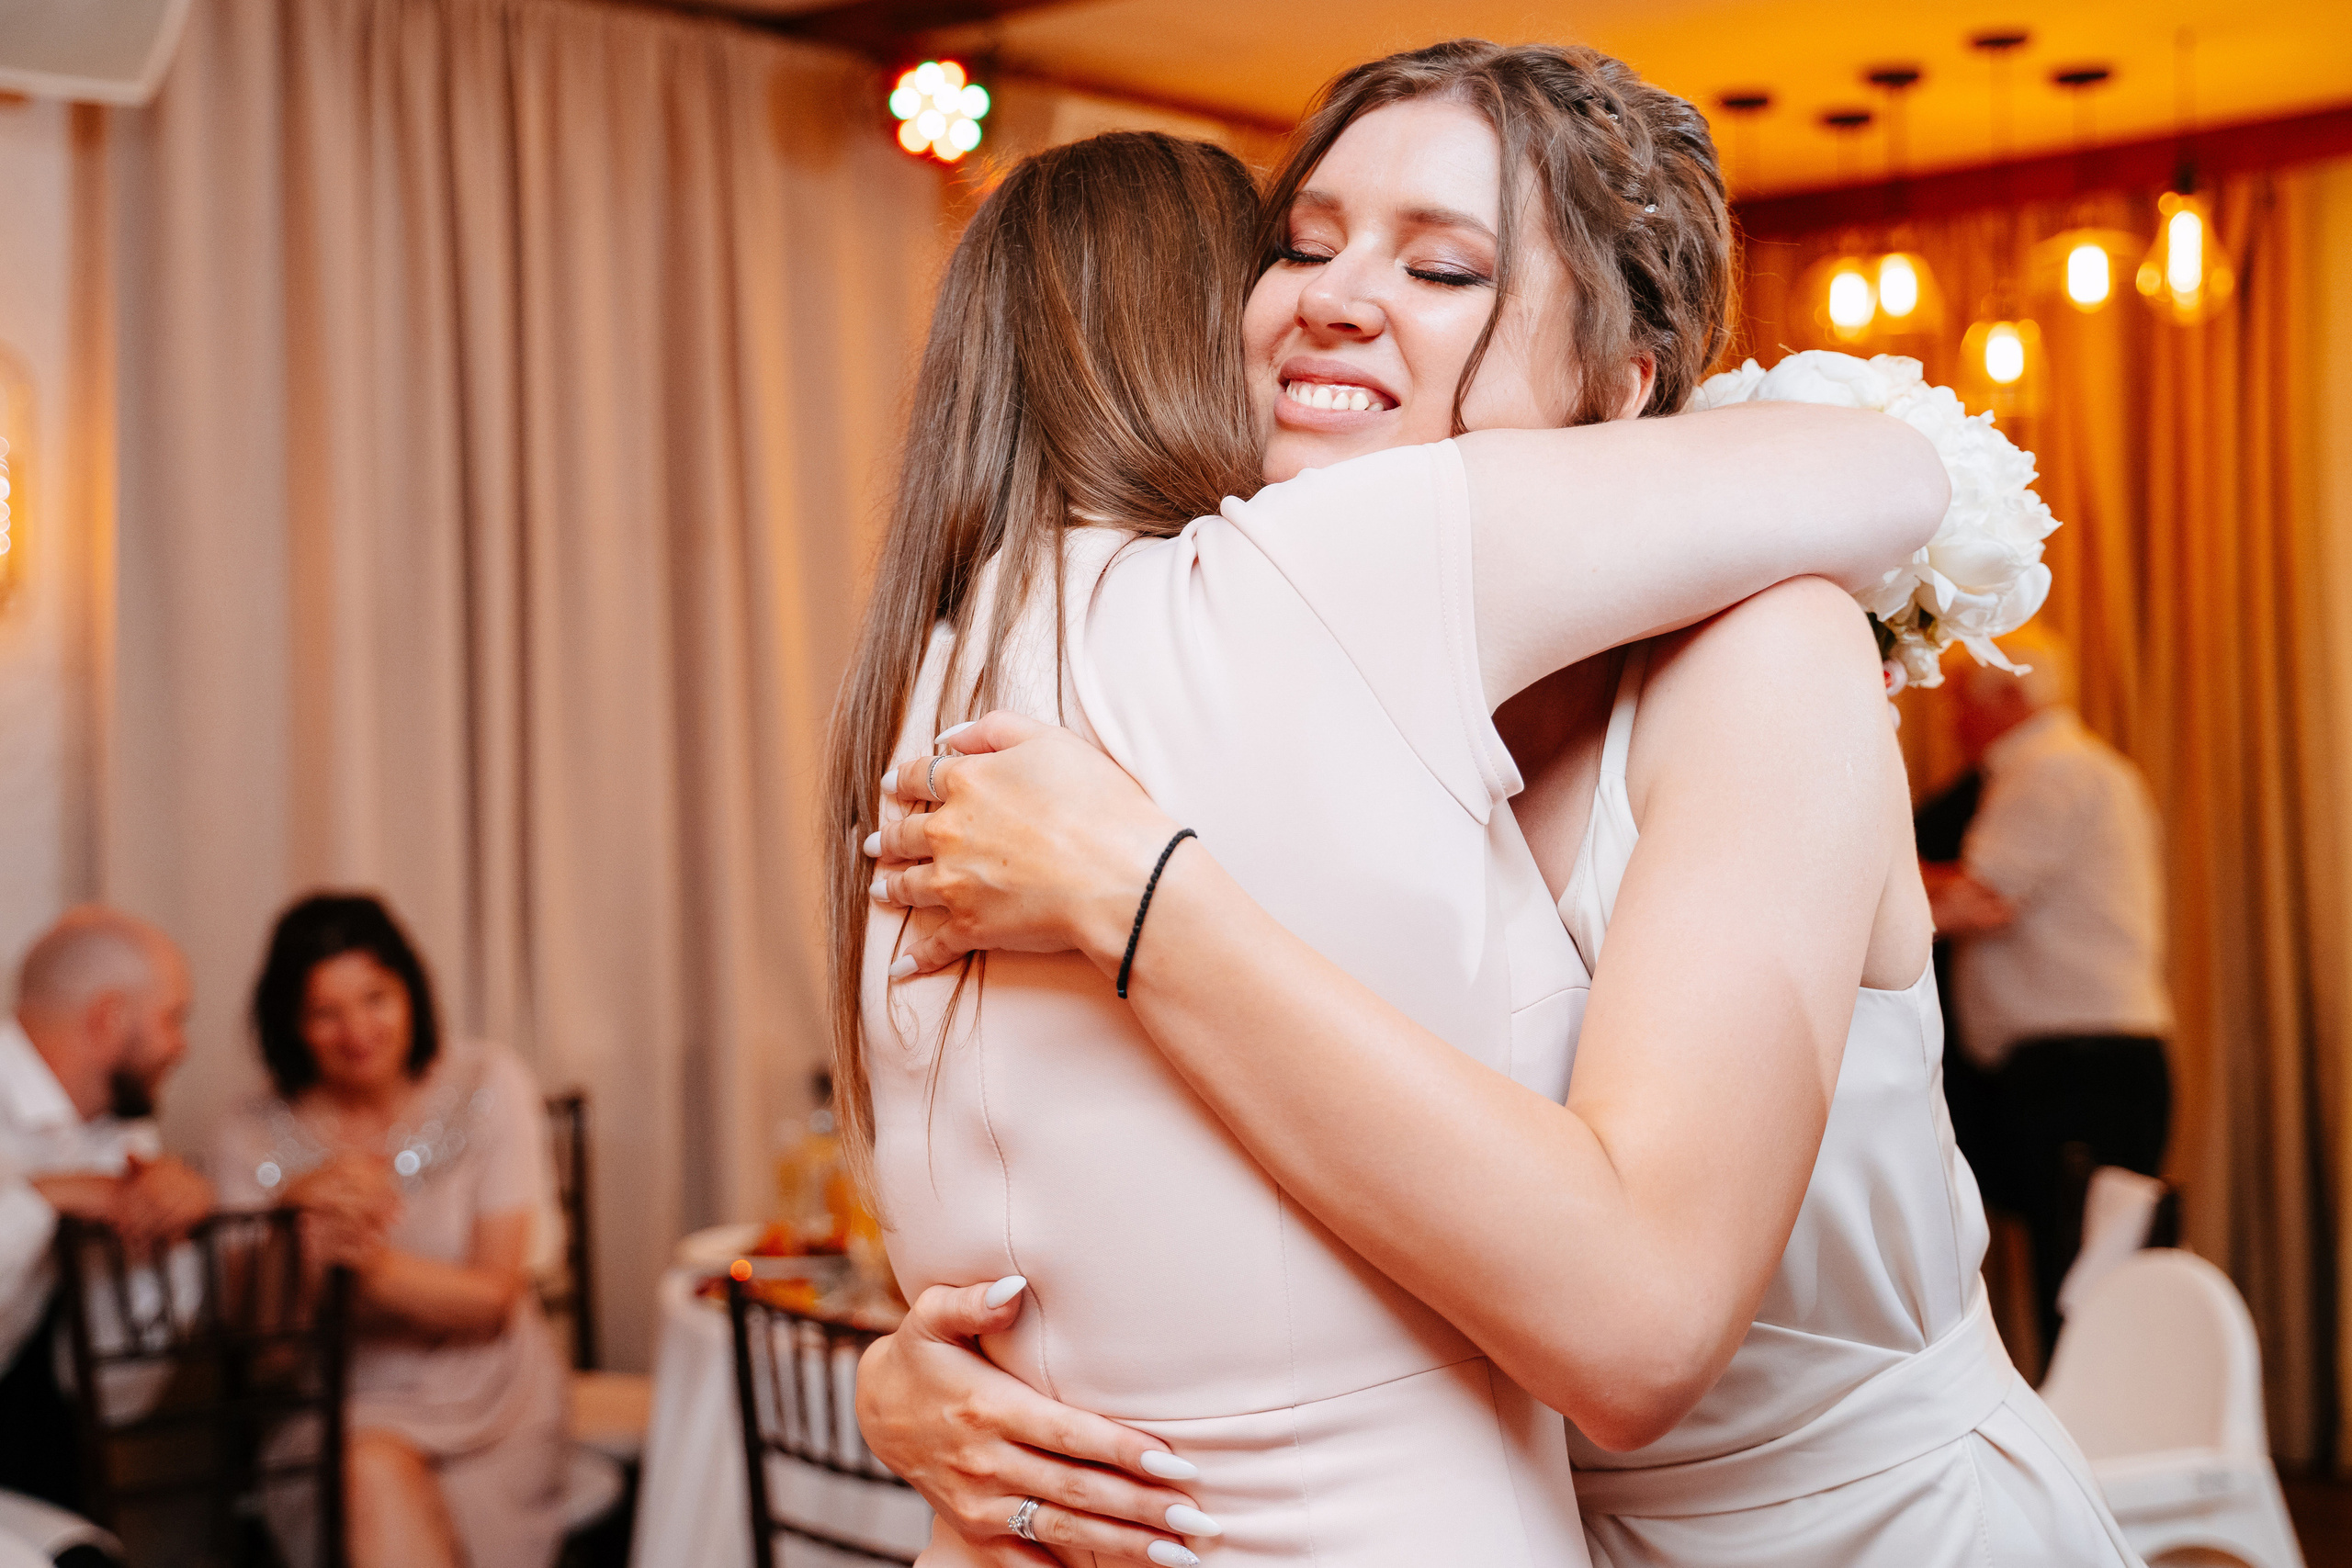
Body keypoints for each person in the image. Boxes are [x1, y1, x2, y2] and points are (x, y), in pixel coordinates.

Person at [846, 41, 2134, 1568]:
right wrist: (923, 1377)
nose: (1330, 298)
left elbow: (1641, 1331)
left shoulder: (1763, 658)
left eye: (1443, 267)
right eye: (1302, 246)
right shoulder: (1270, 678)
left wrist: (1141, 900)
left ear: (1621, 385)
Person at [211, 894, 567, 1568]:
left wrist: (359, 1266)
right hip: (333, 1401)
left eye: (376, 999)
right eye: (325, 1013)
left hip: (492, 1396)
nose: (357, 1032)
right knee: (370, 1469)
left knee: (377, 1481)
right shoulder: (247, 1131)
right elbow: (267, 1357)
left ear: (411, 993)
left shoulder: (487, 1083)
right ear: (290, 1024)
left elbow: (491, 1301)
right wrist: (292, 1234)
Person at [1924, 626, 2172, 1355]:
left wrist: (1856, 892)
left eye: (1963, 699)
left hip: (2078, 1073)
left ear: (2010, 695)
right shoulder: (2087, 767)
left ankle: (2091, 1428)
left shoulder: (2047, 772)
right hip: (2094, 1067)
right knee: (2090, 1281)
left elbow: (1979, 902)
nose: (1954, 719)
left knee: (2078, 1291)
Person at [0, 908, 208, 1522]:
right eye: (172, 1018)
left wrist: (174, 1221)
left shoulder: (118, 1131)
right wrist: (44, 1196)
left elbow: (115, 1395)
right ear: (109, 1018)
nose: (181, 1046)